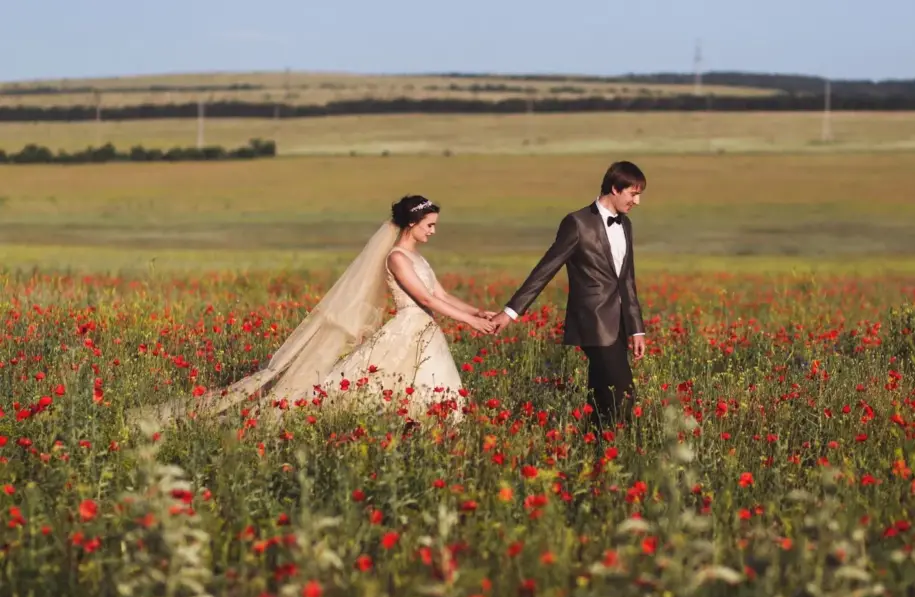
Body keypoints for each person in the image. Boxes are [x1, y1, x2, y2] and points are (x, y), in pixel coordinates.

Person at [136, 195, 496, 428]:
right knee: (374, 390)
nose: (433, 231)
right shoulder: (397, 258)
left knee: (425, 390)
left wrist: (478, 312)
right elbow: (427, 301)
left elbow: (441, 294)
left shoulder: (417, 258)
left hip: (426, 333)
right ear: (411, 224)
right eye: (429, 225)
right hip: (406, 330)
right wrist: (469, 322)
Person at [490, 161, 647, 433]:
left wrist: (636, 329)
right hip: (592, 323)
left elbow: (627, 280)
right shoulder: (577, 223)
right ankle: (618, 445)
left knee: (601, 396)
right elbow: (545, 269)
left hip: (620, 326)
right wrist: (511, 312)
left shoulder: (626, 225)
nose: (637, 201)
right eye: (633, 194)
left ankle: (592, 447)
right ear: (614, 188)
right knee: (622, 394)